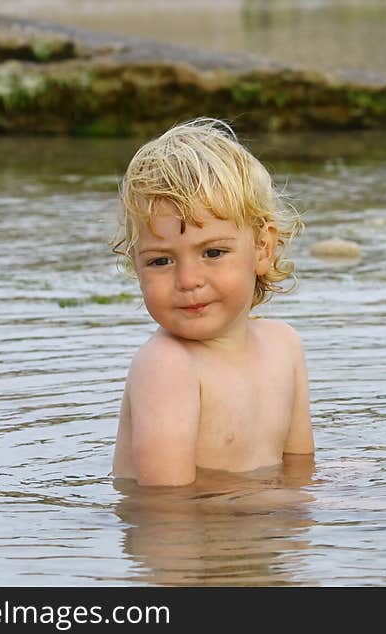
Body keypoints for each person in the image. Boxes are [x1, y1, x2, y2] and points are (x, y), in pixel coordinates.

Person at [111, 117, 314, 486]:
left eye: (213, 252)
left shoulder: (284, 345)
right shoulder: (168, 366)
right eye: (161, 261)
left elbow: (300, 467)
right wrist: (296, 506)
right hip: (188, 538)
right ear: (136, 265)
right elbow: (166, 508)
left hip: (260, 531)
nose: (188, 281)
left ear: (262, 248)